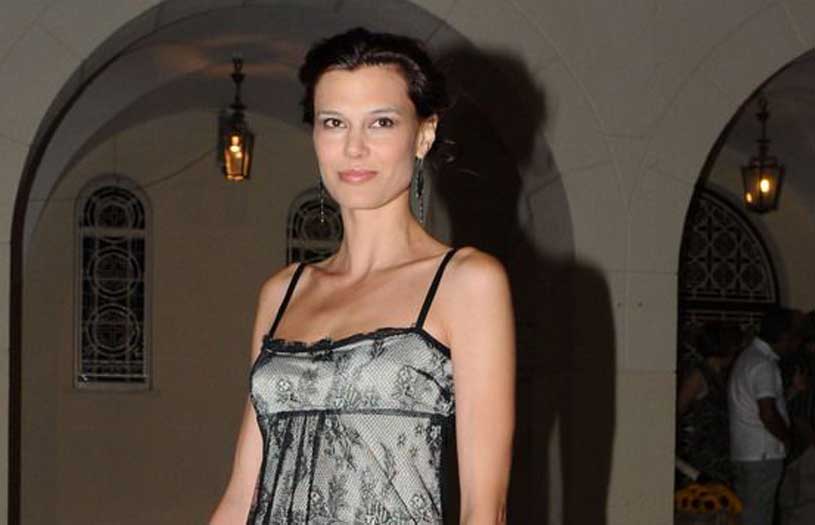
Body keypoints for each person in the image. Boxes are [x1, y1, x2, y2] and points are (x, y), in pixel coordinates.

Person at [210, 28, 516, 525]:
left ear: (423, 134)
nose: (354, 148)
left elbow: (485, 508)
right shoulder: (283, 292)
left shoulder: (466, 282)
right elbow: (242, 493)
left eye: (381, 123)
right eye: (334, 123)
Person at [728, 307, 803, 525]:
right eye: (794, 336)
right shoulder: (763, 364)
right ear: (784, 335)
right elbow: (768, 414)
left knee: (747, 515)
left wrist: (792, 391)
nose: (795, 343)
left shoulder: (748, 357)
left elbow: (759, 405)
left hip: (746, 452)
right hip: (762, 455)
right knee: (757, 517)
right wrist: (787, 439)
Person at [675, 321, 744, 485]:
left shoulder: (722, 375)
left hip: (722, 451)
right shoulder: (699, 376)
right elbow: (677, 411)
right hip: (703, 453)